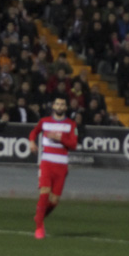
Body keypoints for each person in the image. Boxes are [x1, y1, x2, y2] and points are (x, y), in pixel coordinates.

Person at [27, 97, 78, 239]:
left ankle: (39, 217)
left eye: (62, 104)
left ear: (66, 108)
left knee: (54, 201)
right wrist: (31, 142)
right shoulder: (44, 121)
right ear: (53, 106)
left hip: (61, 166)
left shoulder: (71, 124)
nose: (59, 106)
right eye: (57, 104)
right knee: (45, 191)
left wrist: (59, 138)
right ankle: (39, 228)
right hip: (47, 162)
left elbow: (73, 144)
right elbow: (34, 132)